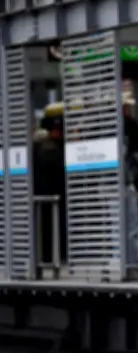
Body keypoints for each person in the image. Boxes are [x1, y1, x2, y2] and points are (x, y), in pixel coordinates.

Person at [33, 111, 67, 266]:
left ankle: (45, 256)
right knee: (54, 228)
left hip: (41, 194)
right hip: (53, 194)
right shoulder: (53, 149)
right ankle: (54, 256)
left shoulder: (37, 148)